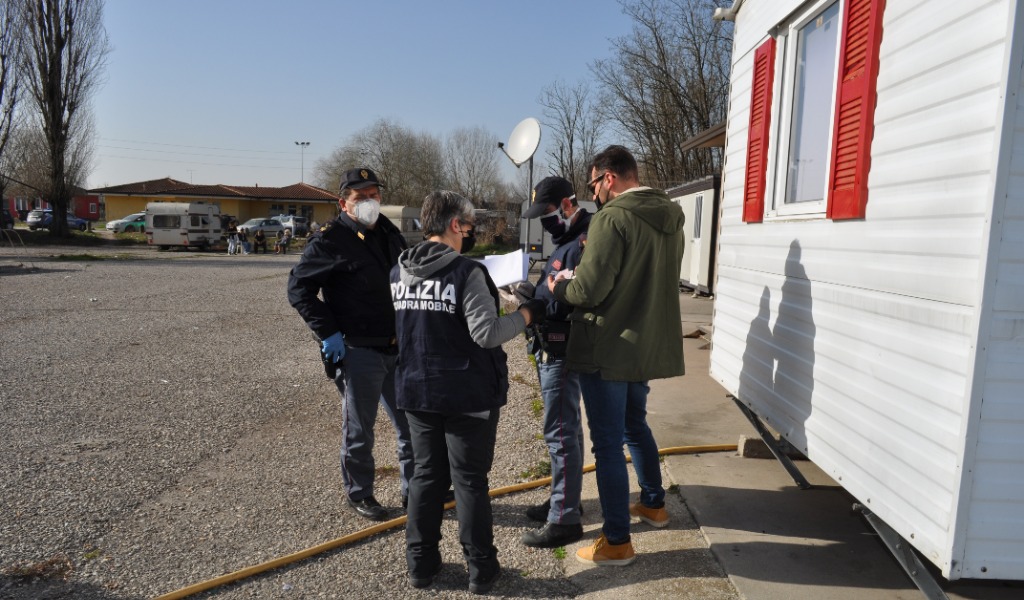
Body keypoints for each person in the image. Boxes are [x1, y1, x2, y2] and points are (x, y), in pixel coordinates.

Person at [391, 190, 545, 594]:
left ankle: (420, 566)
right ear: (455, 226)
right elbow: (487, 334)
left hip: (416, 393)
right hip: (466, 395)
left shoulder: (399, 272)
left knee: (425, 477)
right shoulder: (465, 272)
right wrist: (527, 314)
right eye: (469, 225)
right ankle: (481, 569)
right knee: (469, 481)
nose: (471, 233)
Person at [548, 145, 685, 566]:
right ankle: (654, 503)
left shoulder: (613, 218)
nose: (594, 194)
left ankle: (617, 541)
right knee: (634, 425)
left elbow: (589, 290)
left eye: (593, 184)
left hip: (608, 348)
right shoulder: (670, 217)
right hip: (644, 346)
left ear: (609, 177)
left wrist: (559, 287)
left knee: (607, 445)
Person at [287, 167, 414, 521]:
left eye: (374, 194)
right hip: (358, 351)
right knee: (360, 429)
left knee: (411, 427)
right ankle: (360, 493)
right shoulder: (329, 240)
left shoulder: (389, 232)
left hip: (397, 347)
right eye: (360, 197)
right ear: (344, 203)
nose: (370, 201)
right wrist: (327, 332)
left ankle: (414, 492)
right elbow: (299, 290)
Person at [516, 176, 592, 549]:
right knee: (567, 431)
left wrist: (539, 302)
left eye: (547, 212)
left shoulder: (584, 241)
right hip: (552, 345)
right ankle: (566, 500)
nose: (544, 221)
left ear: (567, 203)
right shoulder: (564, 240)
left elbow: (576, 295)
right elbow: (554, 286)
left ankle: (564, 519)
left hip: (563, 350)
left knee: (560, 434)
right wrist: (532, 292)